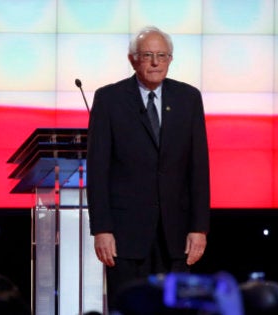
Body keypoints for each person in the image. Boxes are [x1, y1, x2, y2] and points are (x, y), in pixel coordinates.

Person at [86, 25, 210, 311]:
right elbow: (98, 170)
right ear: (133, 59)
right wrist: (101, 229)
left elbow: (199, 168)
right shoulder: (109, 99)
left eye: (162, 55)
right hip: (125, 235)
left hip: (177, 234)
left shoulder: (189, 98)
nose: (155, 62)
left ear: (170, 59)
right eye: (148, 55)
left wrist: (199, 227)